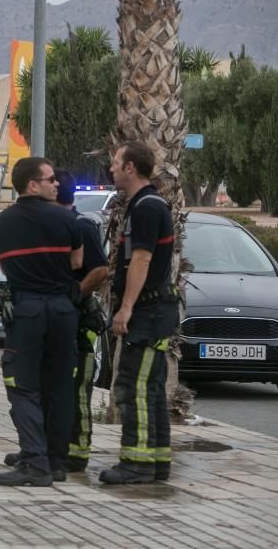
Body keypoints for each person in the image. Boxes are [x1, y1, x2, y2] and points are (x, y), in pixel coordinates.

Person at [1, 171, 109, 474]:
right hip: (53, 317)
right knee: (45, 387)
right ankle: (43, 450)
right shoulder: (50, 225)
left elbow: (99, 270)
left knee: (74, 391)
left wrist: (74, 294)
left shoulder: (80, 226)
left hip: (74, 320)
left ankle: (74, 453)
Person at [0, 157, 83, 487]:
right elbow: (77, 261)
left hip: (26, 310)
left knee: (23, 387)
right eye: (50, 179)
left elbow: (4, 268)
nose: (56, 184)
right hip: (62, 310)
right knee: (60, 388)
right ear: (32, 185)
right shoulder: (67, 219)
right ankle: (56, 462)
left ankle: (34, 462)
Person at [100, 141, 177, 485]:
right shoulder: (146, 204)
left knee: (135, 387)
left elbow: (142, 260)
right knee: (151, 388)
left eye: (116, 162)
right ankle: (156, 461)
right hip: (154, 310)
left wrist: (126, 308)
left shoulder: (146, 207)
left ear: (131, 167)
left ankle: (137, 463)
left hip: (147, 311)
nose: (112, 168)